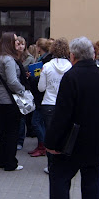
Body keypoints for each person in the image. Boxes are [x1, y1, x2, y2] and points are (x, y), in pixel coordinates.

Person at [39, 37, 99, 199]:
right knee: (91, 183)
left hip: (72, 141)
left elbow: (63, 114)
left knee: (59, 179)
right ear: (93, 54)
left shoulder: (72, 77)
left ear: (73, 55)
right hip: (95, 139)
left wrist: (52, 143)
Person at [37, 38, 72, 171]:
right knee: (64, 133)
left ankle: (51, 165)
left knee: (49, 134)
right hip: (64, 104)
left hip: (49, 103)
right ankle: (63, 163)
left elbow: (41, 88)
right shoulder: (70, 66)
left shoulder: (47, 66)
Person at [0, 32, 26, 171]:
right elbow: (12, 81)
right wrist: (23, 91)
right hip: (11, 99)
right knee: (12, 132)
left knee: (5, 132)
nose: (17, 43)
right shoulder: (8, 59)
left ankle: (2, 160)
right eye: (15, 41)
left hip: (2, 98)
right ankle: (10, 163)